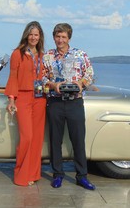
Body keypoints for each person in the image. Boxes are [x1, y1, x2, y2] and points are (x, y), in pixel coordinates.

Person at [42, 23, 96, 190]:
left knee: (78, 140)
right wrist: (52, 85)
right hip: (55, 102)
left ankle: (82, 176)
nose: (60, 40)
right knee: (55, 141)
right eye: (58, 36)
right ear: (54, 37)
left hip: (75, 102)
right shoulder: (47, 56)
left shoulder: (80, 54)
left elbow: (90, 73)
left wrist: (81, 83)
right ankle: (58, 175)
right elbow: (41, 78)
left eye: (63, 37)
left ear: (69, 38)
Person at [4, 21, 47, 186]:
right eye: (31, 34)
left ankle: (33, 174)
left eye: (36, 34)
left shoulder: (42, 55)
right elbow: (13, 77)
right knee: (27, 138)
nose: (34, 37)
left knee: (36, 139)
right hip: (23, 98)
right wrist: (11, 99)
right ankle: (21, 175)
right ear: (26, 35)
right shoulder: (18, 53)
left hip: (40, 98)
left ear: (40, 37)